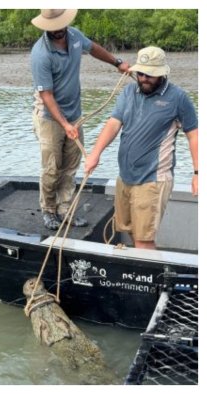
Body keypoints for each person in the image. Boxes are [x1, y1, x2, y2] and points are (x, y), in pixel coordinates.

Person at [84, 46, 198, 250]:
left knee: (144, 239)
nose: (144, 78)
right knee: (129, 231)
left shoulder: (178, 98)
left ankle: (151, 280)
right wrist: (95, 154)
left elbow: (194, 135)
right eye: (141, 73)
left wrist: (198, 173)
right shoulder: (128, 92)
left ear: (162, 73)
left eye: (150, 74)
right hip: (125, 177)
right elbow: (113, 124)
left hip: (153, 180)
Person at [30, 9, 130, 230]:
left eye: (59, 25)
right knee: (52, 168)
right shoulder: (40, 54)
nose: (56, 30)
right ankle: (48, 211)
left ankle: (65, 210)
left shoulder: (74, 36)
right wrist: (64, 124)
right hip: (49, 117)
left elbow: (93, 48)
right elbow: (46, 95)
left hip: (74, 114)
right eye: (51, 27)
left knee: (71, 166)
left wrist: (117, 62)